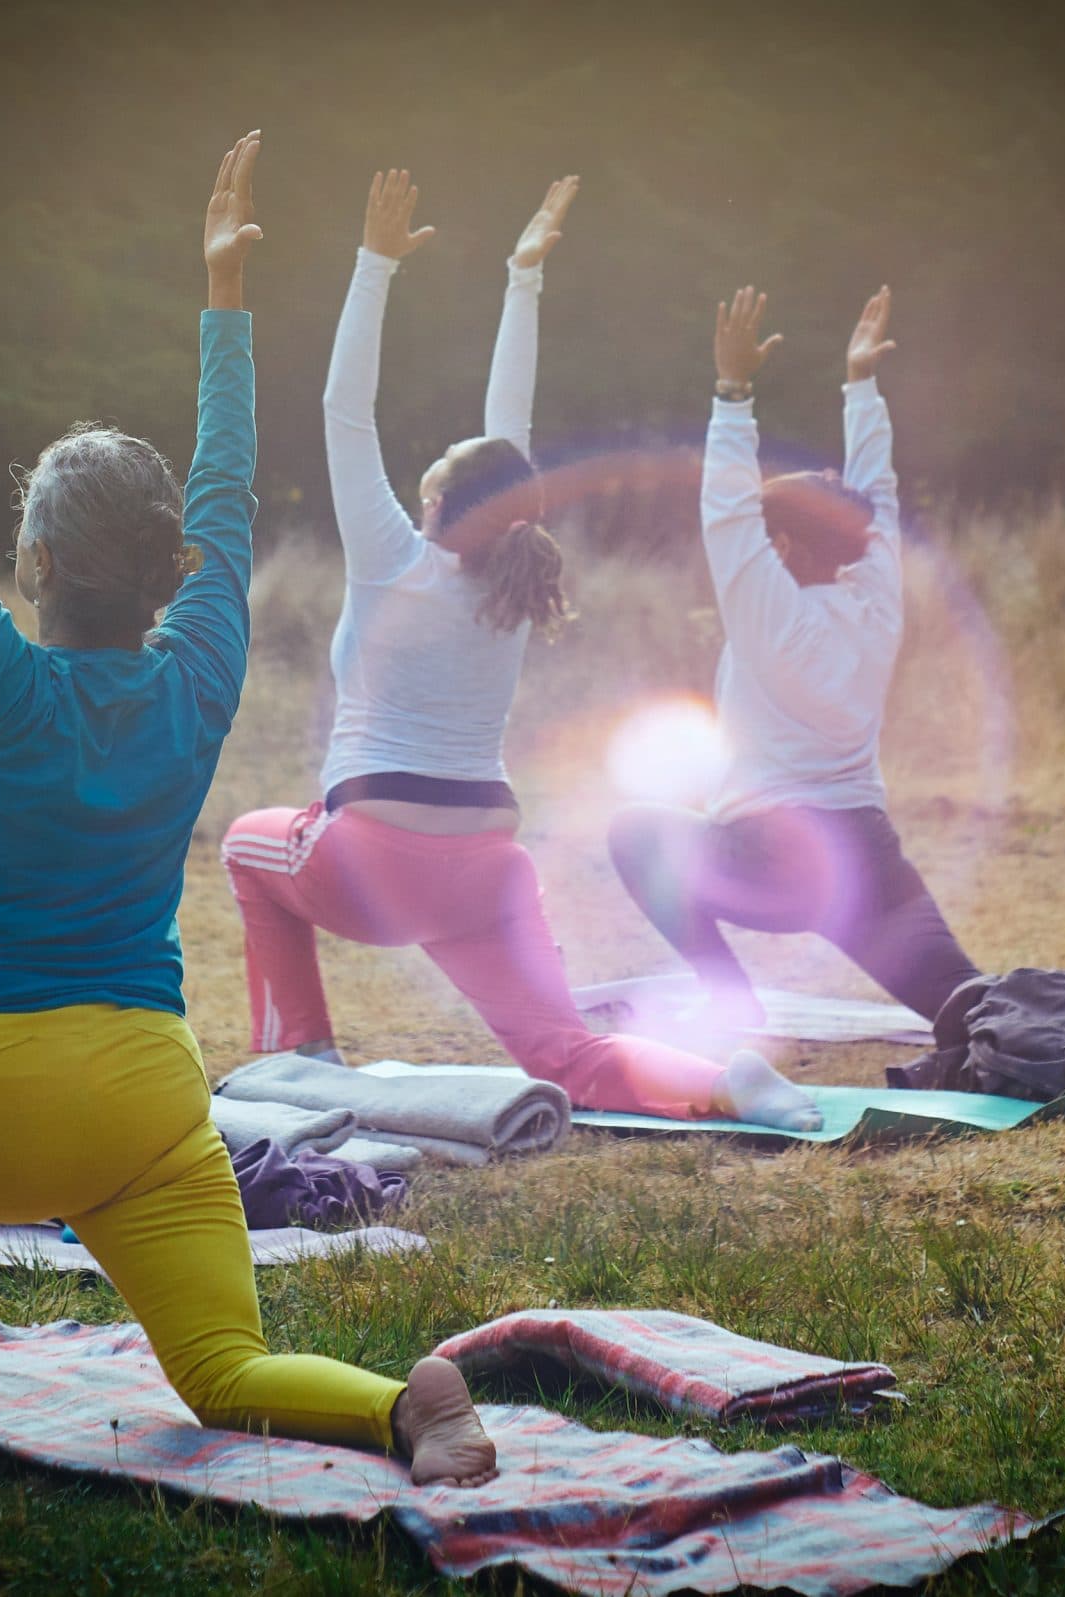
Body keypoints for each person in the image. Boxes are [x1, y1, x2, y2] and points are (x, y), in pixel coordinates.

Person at [0, 135, 496, 1485]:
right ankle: (404, 1405)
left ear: (41, 563)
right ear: (169, 566)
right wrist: (225, 304)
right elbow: (228, 501)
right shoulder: (198, 682)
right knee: (221, 1373)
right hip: (143, 1104)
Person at [220, 171, 818, 1132]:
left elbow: (345, 408)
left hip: (369, 861)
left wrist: (373, 263)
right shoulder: (510, 580)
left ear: (432, 505)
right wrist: (522, 278)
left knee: (247, 845)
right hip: (488, 865)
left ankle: (302, 1057)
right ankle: (729, 1080)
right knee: (565, 1051)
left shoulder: (394, 561)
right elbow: (513, 435)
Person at [607, 286, 985, 1043]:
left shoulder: (767, 616)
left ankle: (729, 1000)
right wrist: (860, 386)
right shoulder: (876, 601)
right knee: (978, 1011)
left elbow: (725, 513)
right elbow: (877, 493)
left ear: (784, 548)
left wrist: (732, 392)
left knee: (634, 832)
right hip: (867, 866)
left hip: (771, 865)